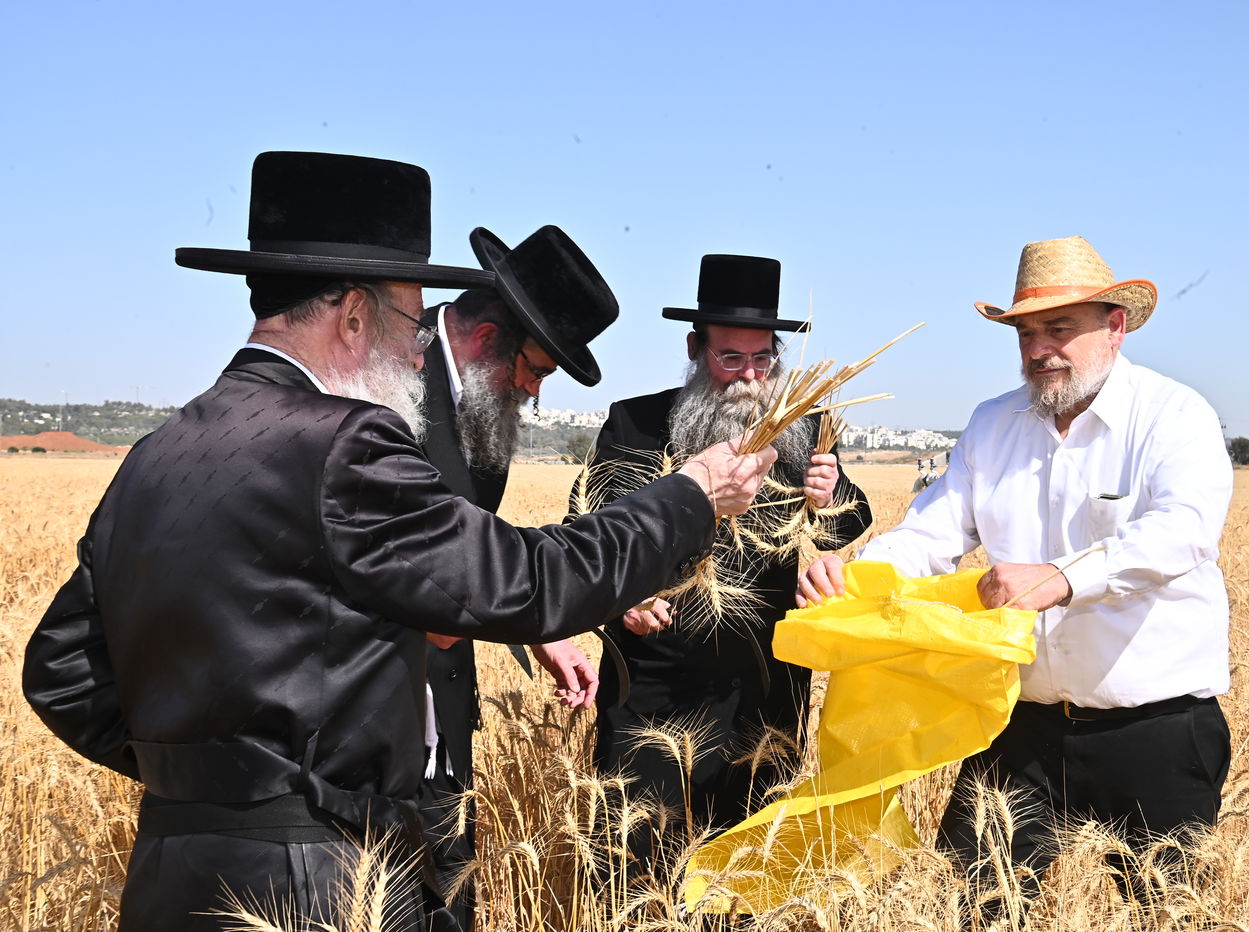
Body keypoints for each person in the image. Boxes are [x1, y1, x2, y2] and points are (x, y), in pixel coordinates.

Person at [22, 151, 775, 932]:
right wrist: (692, 495)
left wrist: (209, 785)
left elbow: (61, 671)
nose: (418, 347)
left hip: (167, 877)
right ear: (353, 315)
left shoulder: (157, 452)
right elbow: (526, 580)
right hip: (317, 882)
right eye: (411, 320)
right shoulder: (343, 441)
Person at [798, 235, 1233, 905]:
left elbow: (1184, 531)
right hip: (1018, 727)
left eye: (1059, 328)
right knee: (970, 910)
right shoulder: (992, 423)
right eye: (1026, 333)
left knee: (1169, 916)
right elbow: (932, 533)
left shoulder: (1175, 416)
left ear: (1115, 326)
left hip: (1154, 731)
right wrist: (855, 575)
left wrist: (1061, 576)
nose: (1038, 349)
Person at [576, 254, 873, 878]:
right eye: (730, 358)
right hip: (654, 690)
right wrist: (625, 599)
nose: (749, 378)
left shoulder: (806, 428)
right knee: (636, 871)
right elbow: (588, 539)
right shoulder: (635, 423)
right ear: (694, 348)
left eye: (763, 359)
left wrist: (832, 492)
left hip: (763, 693)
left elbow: (849, 523)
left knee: (745, 876)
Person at [415, 223, 614, 927]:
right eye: (534, 370)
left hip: (444, 709)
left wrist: (539, 632)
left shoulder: (480, 406)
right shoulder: (385, 384)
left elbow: (470, 552)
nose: (531, 392)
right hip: (369, 717)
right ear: (485, 337)